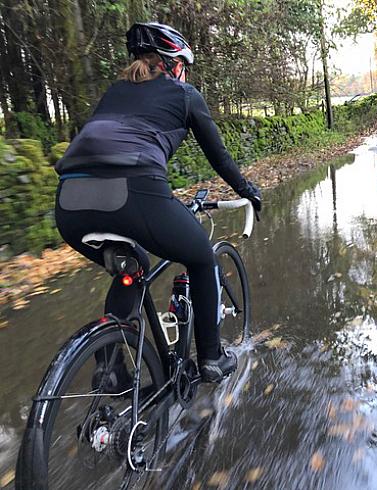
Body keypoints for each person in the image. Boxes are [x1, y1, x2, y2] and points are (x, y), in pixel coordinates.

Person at [54, 22, 261, 384]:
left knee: (131, 267)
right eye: (185, 66)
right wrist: (247, 190)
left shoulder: (114, 92)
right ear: (174, 64)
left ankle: (110, 368)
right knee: (201, 257)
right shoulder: (184, 94)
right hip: (134, 194)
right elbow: (220, 158)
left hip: (69, 203)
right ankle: (211, 359)